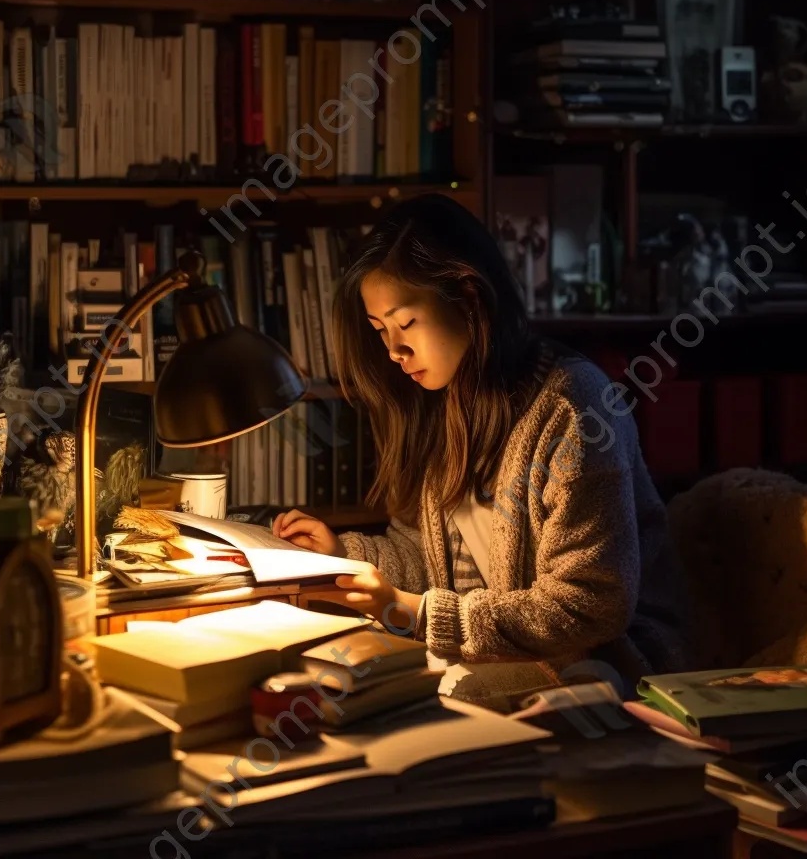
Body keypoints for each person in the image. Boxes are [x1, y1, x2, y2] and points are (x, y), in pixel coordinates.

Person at [272, 194, 685, 693]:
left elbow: (589, 606)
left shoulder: (575, 408)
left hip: (612, 669)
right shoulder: (439, 402)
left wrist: (411, 611)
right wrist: (344, 556)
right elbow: (429, 558)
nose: (394, 351)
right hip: (497, 661)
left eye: (406, 324)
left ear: (469, 297)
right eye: (381, 330)